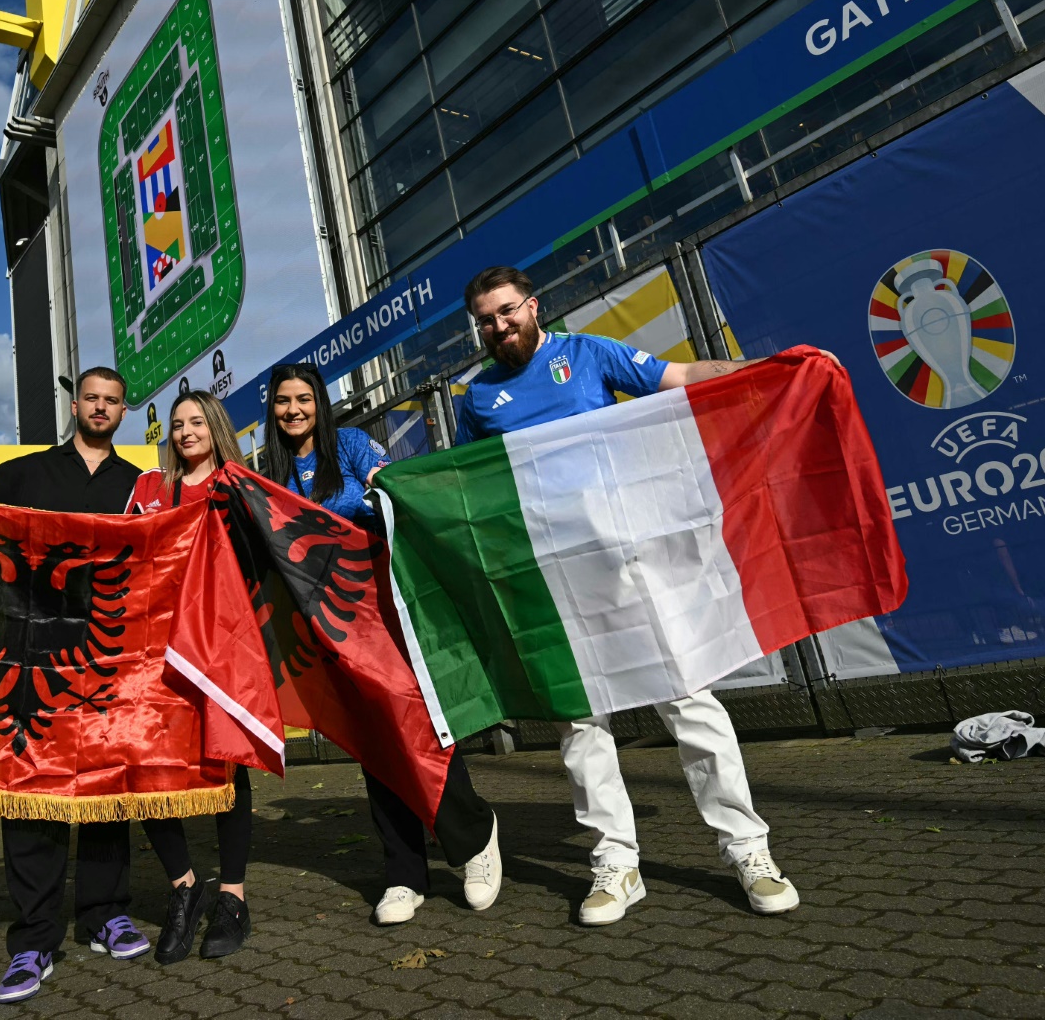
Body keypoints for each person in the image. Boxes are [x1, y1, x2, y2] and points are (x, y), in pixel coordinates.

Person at [456, 265, 814, 923]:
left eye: (507, 311)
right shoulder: (477, 401)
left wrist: (769, 365)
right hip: (552, 579)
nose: (498, 325)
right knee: (579, 722)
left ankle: (748, 847)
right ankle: (616, 862)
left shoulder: (590, 352)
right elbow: (465, 491)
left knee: (687, 695)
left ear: (533, 306)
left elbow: (679, 378)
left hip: (631, 554)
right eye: (486, 319)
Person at [259, 363, 504, 926]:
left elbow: (391, 484)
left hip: (381, 610)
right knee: (371, 738)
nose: (293, 410)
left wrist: (376, 495)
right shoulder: (267, 471)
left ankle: (473, 840)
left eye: (303, 399)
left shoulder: (346, 445)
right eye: (282, 402)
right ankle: (403, 872)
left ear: (320, 402)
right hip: (325, 625)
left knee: (415, 724)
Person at [0, 366, 151, 1003]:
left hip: (110, 664)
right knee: (34, 798)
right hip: (31, 660)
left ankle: (105, 913)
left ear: (124, 412)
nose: (101, 409)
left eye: (112, 402)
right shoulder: (25, 474)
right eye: (92, 399)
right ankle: (34, 942)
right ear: (75, 405)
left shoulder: (137, 485)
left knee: (105, 789)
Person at [125, 390, 255, 963]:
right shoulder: (149, 488)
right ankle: (184, 887)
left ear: (215, 426)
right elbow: (119, 554)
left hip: (220, 645)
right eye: (177, 424)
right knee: (148, 767)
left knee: (224, 763)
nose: (185, 432)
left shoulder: (239, 483)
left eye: (197, 422)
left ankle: (232, 896)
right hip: (151, 652)